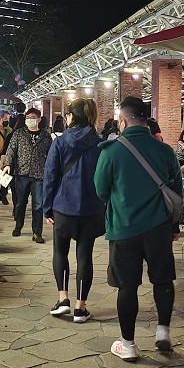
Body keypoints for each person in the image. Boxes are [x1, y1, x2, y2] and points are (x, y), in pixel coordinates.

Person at [94, 96, 182, 362]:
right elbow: (176, 192)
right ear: (146, 120)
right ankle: (163, 331)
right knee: (163, 279)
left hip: (124, 227)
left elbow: (100, 190)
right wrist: (174, 226)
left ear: (122, 120)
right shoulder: (165, 151)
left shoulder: (111, 151)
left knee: (127, 286)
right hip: (158, 227)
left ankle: (128, 344)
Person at [42, 98, 105, 323]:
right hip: (91, 208)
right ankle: (81, 307)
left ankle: (63, 300)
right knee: (84, 255)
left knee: (60, 252)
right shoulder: (100, 143)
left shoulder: (59, 143)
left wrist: (47, 208)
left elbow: (50, 177)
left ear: (71, 117)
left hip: (63, 206)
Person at [2, 108, 53, 242]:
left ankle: (37, 232)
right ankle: (18, 225)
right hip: (21, 173)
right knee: (20, 203)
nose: (30, 119)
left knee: (38, 205)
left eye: (32, 117)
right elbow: (11, 150)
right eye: (28, 117)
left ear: (39, 119)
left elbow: (51, 155)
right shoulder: (19, 134)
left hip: (39, 174)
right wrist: (7, 164)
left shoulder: (46, 136)